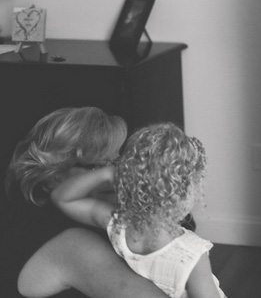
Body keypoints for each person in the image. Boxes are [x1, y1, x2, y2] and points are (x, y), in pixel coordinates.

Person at [1, 107, 168, 298]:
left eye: (118, 161)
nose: (118, 174)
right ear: (53, 175)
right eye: (99, 165)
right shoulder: (70, 242)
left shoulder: (60, 217)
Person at [51, 122, 226, 298]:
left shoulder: (117, 224)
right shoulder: (192, 255)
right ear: (184, 192)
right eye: (197, 181)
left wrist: (108, 173)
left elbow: (62, 198)